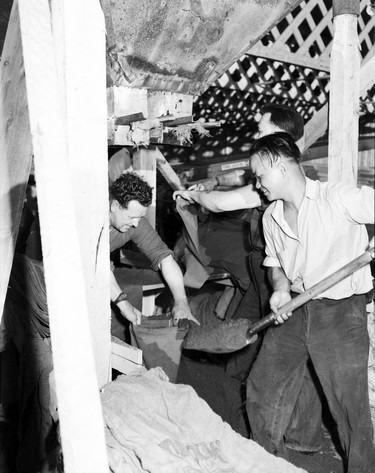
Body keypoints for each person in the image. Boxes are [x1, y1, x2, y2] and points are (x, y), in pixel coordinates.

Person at [174, 106, 323, 450]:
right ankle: (295, 430)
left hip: (275, 268)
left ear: (278, 138)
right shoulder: (284, 174)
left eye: (261, 131)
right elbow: (233, 183)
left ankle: (251, 418)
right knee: (270, 336)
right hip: (267, 264)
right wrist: (211, 182)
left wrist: (194, 195)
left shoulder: (276, 180)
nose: (255, 136)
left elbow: (221, 204)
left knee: (270, 338)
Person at [245, 132, 375, 472]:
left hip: (340, 314)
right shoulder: (271, 217)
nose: (256, 184)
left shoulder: (338, 198)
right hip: (295, 310)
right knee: (263, 386)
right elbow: (275, 264)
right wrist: (280, 287)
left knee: (349, 408)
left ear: (279, 166)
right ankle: (268, 463)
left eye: (258, 174)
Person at [109, 171, 198, 328]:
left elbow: (164, 258)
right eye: (131, 217)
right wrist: (122, 303)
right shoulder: (91, 219)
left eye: (140, 217)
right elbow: (95, 266)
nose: (136, 224)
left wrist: (181, 301)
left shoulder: (136, 223)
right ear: (114, 205)